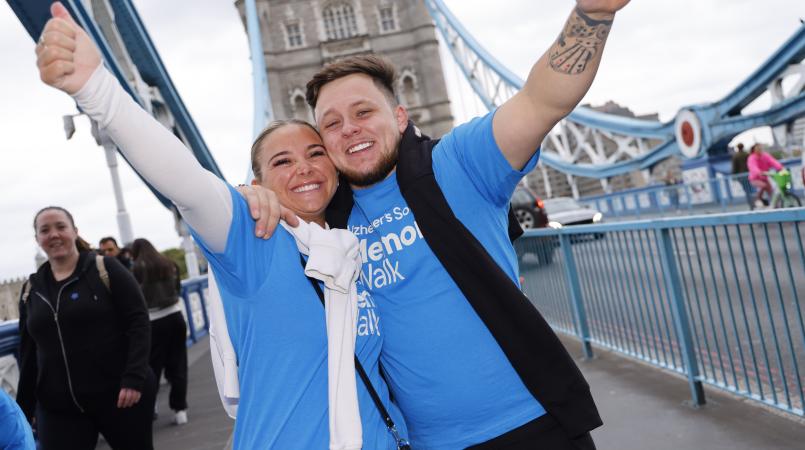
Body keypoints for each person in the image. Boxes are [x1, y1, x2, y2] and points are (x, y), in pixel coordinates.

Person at [241, 2, 628, 448]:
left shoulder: (459, 164)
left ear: (400, 117)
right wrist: (253, 197)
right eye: (332, 123)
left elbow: (542, 100)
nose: (349, 129)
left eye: (364, 112)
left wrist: (593, 15)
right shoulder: (328, 223)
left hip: (535, 426)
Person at [35, 4, 407, 450]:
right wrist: (99, 92)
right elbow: (188, 183)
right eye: (282, 161)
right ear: (257, 185)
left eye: (315, 153)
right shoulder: (255, 242)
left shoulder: (350, 244)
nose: (304, 169)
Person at [16, 206, 155, 450]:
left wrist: (134, 377)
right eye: (45, 230)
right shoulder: (31, 289)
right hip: (58, 407)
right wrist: (24, 409)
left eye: (61, 226)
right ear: (38, 239)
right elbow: (27, 352)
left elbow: (138, 322)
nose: (54, 234)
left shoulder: (105, 268)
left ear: (75, 231)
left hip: (119, 396)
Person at [130, 238, 189, 426]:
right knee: (179, 364)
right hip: (175, 316)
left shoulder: (136, 269)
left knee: (152, 367)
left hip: (153, 322)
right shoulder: (169, 264)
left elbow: (135, 299)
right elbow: (178, 289)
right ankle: (180, 409)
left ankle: (151, 405)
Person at [747, 143, 783, 208]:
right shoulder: (751, 158)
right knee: (763, 185)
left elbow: (772, 161)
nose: (759, 149)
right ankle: (758, 199)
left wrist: (780, 168)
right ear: (754, 150)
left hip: (764, 177)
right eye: (757, 148)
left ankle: (776, 206)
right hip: (755, 178)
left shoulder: (765, 156)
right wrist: (759, 172)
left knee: (771, 192)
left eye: (760, 148)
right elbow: (753, 167)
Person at [731, 143, 754, 209]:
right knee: (750, 189)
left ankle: (751, 204)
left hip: (741, 176)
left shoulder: (735, 156)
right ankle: (753, 203)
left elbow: (734, 167)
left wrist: (734, 176)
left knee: (746, 190)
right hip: (748, 174)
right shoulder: (747, 154)